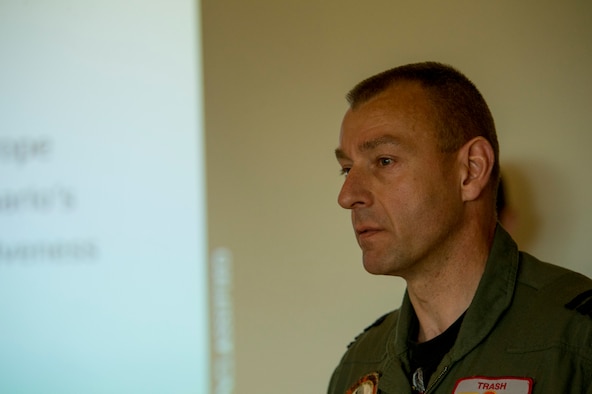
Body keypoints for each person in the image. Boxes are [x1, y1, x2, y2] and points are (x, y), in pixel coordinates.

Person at [329, 62, 592, 394]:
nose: (347, 196)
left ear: (470, 171)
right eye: (346, 169)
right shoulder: (360, 363)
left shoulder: (576, 341)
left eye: (384, 161)